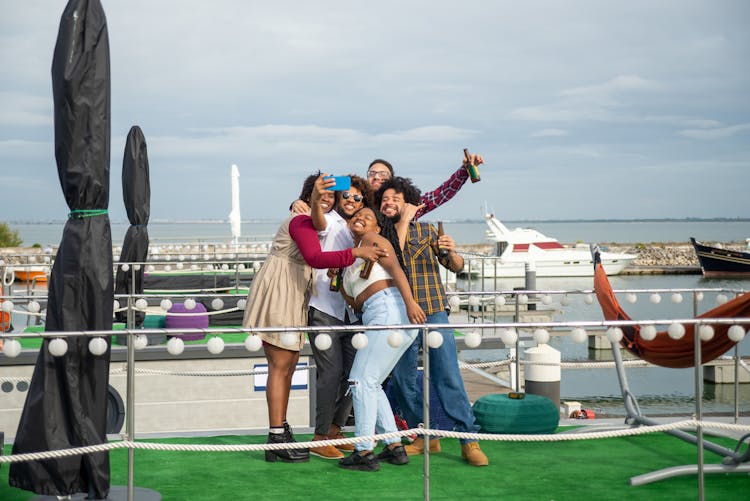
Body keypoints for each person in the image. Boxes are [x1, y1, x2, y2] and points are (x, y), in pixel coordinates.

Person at [242, 173, 387, 463]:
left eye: (335, 195)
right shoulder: (306, 219)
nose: (337, 199)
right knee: (285, 366)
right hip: (288, 294)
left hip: (301, 295)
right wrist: (356, 250)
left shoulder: (345, 224)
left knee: (290, 365)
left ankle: (284, 433)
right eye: (329, 195)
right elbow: (316, 256)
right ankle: (281, 437)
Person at [377, 176, 489, 467]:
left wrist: (451, 250)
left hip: (434, 309)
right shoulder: (379, 235)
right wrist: (405, 219)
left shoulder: (426, 229)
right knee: (402, 380)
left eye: (395, 199)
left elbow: (457, 266)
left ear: (409, 201)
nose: (389, 202)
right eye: (385, 199)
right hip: (399, 316)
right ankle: (423, 434)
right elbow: (396, 255)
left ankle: (468, 439)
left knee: (447, 374)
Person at [338, 207, 426, 472]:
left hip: (390, 310)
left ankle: (364, 450)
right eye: (356, 215)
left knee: (360, 380)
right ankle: (393, 445)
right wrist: (339, 280)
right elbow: (355, 302)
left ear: (377, 226)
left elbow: (396, 269)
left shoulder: (373, 240)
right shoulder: (355, 255)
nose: (360, 218)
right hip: (379, 313)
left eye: (367, 216)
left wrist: (410, 303)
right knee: (372, 383)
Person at [306, 174, 371, 459]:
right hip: (324, 307)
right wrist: (313, 200)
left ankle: (335, 429)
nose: (351, 201)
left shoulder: (365, 229)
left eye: (358, 198)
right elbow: (317, 219)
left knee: (352, 374)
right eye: (347, 196)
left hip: (353, 311)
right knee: (330, 373)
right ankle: (319, 436)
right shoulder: (329, 221)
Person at [291, 153, 485, 220]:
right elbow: (323, 183)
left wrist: (464, 171)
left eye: (383, 174)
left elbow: (440, 194)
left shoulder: (404, 205)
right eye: (372, 173)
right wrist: (300, 201)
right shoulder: (354, 193)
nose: (377, 177)